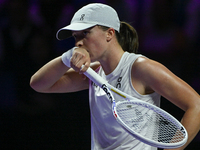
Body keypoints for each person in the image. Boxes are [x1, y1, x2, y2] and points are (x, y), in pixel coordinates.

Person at [30, 3, 200, 150]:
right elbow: (39, 84)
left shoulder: (140, 67)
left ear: (109, 33)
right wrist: (67, 57)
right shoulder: (93, 73)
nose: (78, 43)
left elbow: (197, 105)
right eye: (76, 37)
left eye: (85, 33)